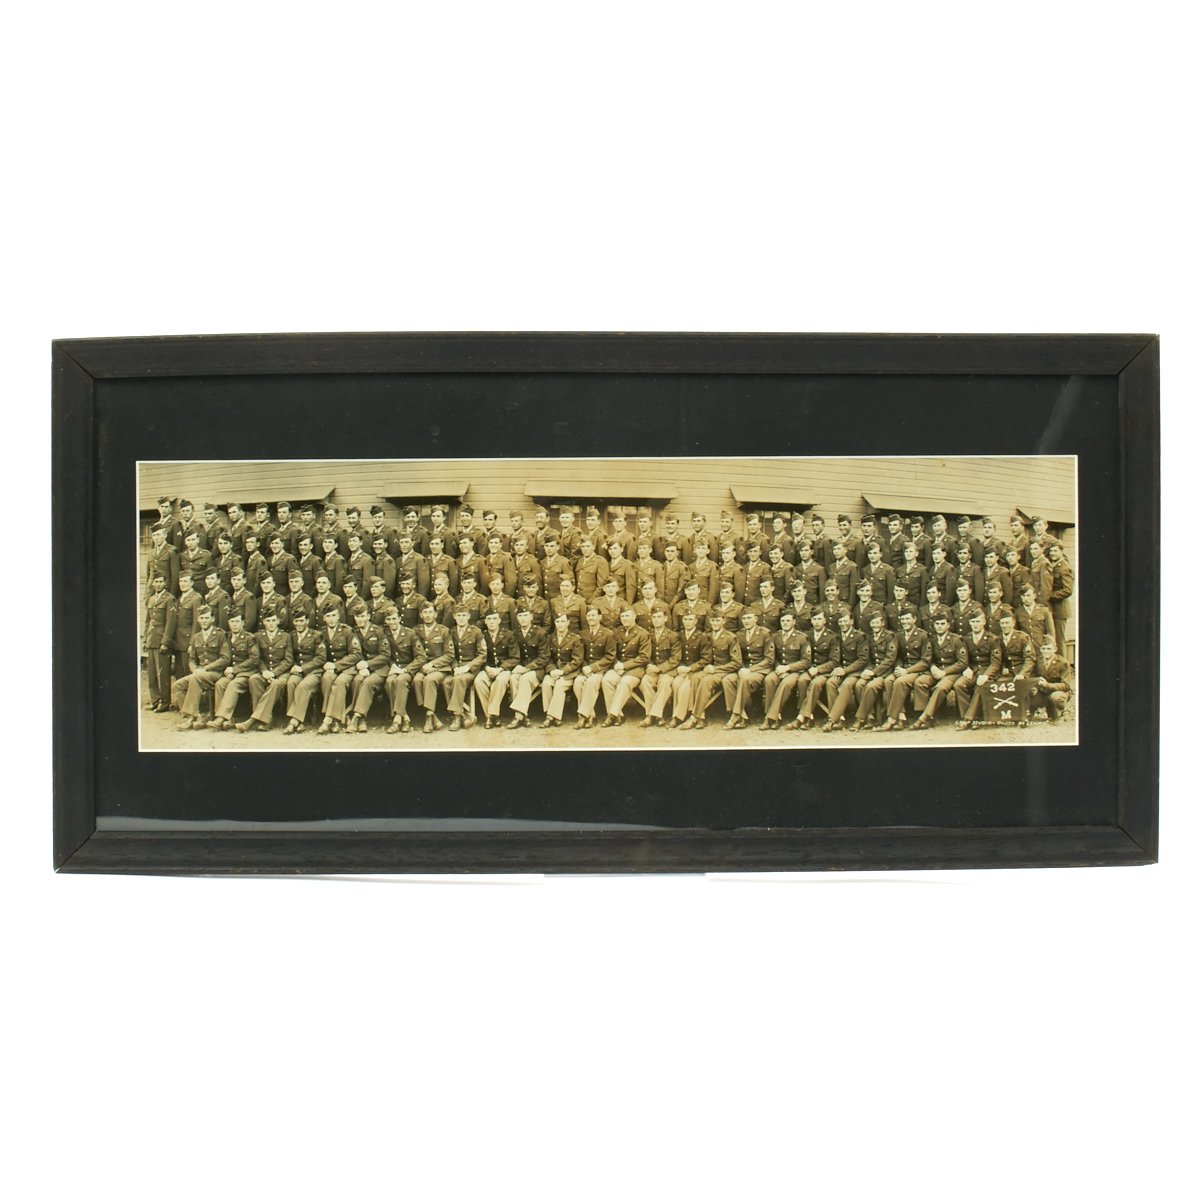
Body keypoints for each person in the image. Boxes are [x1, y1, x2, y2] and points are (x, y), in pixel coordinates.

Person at [171, 605, 231, 729]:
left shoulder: (220, 635)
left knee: (196, 678)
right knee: (177, 685)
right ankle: (198, 716)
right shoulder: (196, 637)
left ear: (213, 619)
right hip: (199, 673)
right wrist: (195, 669)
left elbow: (225, 659)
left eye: (206, 618)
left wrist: (205, 669)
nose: (204, 621)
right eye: (201, 618)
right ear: (198, 620)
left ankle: (190, 718)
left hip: (215, 672)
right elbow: (192, 659)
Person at [235, 609, 294, 731]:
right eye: (268, 621)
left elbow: (288, 660)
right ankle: (265, 719)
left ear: (278, 621)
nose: (271, 623)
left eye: (273, 620)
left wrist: (274, 673)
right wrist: (265, 671)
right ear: (264, 622)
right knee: (254, 679)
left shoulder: (286, 636)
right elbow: (258, 658)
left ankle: (253, 720)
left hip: (281, 673)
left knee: (276, 684)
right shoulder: (258, 636)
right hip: (265, 671)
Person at [910, 610, 968, 729]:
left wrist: (944, 672)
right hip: (935, 671)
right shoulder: (931, 639)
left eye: (942, 624)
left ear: (948, 625)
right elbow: (927, 657)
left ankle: (924, 717)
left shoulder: (956, 639)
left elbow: (962, 663)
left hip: (951, 672)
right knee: (920, 682)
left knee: (940, 687)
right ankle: (927, 716)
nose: (940, 626)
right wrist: (932, 667)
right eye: (937, 624)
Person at [722, 608, 775, 729]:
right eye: (744, 618)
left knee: (745, 680)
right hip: (743, 669)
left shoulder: (765, 633)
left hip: (760, 670)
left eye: (749, 618)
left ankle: (735, 715)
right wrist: (742, 668)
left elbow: (769, 659)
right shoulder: (739, 634)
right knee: (727, 680)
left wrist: (750, 670)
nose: (746, 621)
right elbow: (738, 656)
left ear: (755, 619)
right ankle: (743, 717)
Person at [878, 609, 930, 731]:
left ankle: (891, 718)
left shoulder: (923, 635)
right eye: (902, 619)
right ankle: (901, 716)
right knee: (888, 681)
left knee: (900, 682)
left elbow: (925, 661)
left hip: (918, 670)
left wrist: (907, 671)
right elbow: (897, 656)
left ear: (914, 619)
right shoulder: (899, 635)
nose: (905, 622)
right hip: (903, 668)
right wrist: (899, 667)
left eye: (907, 619)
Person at [788, 607, 840, 729]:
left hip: (825, 671)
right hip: (810, 669)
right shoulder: (807, 635)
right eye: (814, 619)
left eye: (819, 619)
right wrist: (810, 668)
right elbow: (804, 656)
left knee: (816, 683)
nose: (817, 622)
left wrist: (818, 669)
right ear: (811, 621)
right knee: (802, 680)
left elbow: (834, 661)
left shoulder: (832, 637)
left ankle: (802, 717)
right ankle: (809, 716)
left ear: (824, 621)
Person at [760, 609, 811, 730]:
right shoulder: (775, 636)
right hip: (778, 669)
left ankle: (769, 717)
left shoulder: (802, 637)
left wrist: (787, 668)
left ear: (794, 622)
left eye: (788, 620)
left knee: (786, 684)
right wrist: (778, 667)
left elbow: (806, 661)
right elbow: (772, 656)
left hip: (794, 671)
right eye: (783, 621)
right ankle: (776, 716)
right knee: (769, 680)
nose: (785, 623)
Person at [314, 605, 362, 735]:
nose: (331, 619)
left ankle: (328, 719)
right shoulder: (320, 633)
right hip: (330, 668)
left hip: (347, 668)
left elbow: (356, 654)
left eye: (334, 615)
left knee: (340, 682)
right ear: (324, 618)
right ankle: (335, 721)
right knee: (326, 679)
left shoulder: (347, 631)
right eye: (328, 616)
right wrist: (326, 665)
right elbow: (319, 654)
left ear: (338, 616)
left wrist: (336, 666)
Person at [378, 608, 427, 733]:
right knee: (389, 682)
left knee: (400, 681)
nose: (392, 622)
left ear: (399, 619)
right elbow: (385, 655)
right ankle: (405, 717)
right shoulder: (385, 634)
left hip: (407, 668)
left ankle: (397, 719)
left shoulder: (410, 633)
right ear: (386, 621)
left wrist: (406, 670)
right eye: (389, 619)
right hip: (393, 668)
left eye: (394, 619)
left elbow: (421, 657)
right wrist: (392, 666)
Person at [208, 611, 259, 730]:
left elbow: (254, 659)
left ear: (242, 623)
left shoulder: (250, 638)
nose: (234, 624)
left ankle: (221, 718)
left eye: (237, 621)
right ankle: (226, 719)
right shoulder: (226, 636)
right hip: (230, 673)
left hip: (247, 672)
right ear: (228, 623)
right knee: (220, 684)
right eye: (232, 622)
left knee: (233, 685)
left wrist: (234, 670)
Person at [281, 609, 329, 734]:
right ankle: (299, 720)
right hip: (297, 670)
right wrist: (295, 667)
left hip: (314, 671)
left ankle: (295, 721)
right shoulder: (291, 636)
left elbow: (321, 658)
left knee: (303, 686)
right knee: (291, 682)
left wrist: (303, 668)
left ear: (307, 621)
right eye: (296, 621)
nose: (299, 624)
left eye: (301, 621)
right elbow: (289, 656)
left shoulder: (316, 635)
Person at [601, 607, 650, 726]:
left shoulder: (643, 633)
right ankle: (619, 715)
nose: (624, 618)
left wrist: (624, 666)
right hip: (618, 667)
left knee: (625, 682)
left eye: (627, 616)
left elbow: (644, 657)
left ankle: (611, 714)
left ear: (634, 616)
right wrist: (617, 665)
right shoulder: (616, 632)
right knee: (606, 680)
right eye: (622, 616)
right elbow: (612, 652)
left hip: (635, 669)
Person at [345, 607, 392, 733]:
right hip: (362, 668)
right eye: (357, 617)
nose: (360, 619)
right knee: (357, 681)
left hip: (380, 668)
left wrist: (368, 664)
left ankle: (356, 716)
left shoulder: (378, 631)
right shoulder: (354, 632)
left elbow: (385, 655)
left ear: (368, 617)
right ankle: (361, 720)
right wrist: (360, 666)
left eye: (362, 616)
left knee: (368, 682)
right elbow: (354, 652)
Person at [953, 609, 1002, 729]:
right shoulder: (966, 638)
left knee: (981, 686)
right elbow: (963, 658)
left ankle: (968, 719)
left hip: (987, 671)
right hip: (973, 671)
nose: (975, 624)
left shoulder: (992, 639)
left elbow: (996, 663)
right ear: (970, 623)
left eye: (978, 621)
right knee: (959, 685)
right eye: (973, 621)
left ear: (984, 622)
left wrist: (986, 675)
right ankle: (968, 716)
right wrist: (966, 668)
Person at [850, 611, 899, 731]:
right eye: (873, 623)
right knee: (859, 685)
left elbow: (890, 659)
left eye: (877, 622)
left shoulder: (890, 636)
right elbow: (868, 658)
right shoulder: (869, 637)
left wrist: (874, 672)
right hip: (873, 669)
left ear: (882, 623)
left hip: (886, 671)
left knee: (870, 686)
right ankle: (870, 716)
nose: (875, 625)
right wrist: (867, 670)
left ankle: (860, 718)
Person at [822, 610, 869, 731]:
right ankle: (841, 719)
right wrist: (838, 668)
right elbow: (835, 656)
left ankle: (832, 720)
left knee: (846, 685)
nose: (843, 624)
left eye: (845, 621)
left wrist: (845, 670)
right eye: (840, 622)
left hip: (855, 671)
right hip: (841, 670)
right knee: (830, 683)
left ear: (851, 621)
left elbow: (863, 659)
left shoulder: (860, 636)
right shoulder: (836, 636)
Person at [413, 603, 453, 733]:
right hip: (422, 667)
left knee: (429, 680)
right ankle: (431, 714)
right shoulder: (415, 631)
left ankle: (428, 718)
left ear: (435, 614)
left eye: (430, 612)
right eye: (425, 612)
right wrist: (423, 666)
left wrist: (433, 665)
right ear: (421, 615)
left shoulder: (443, 631)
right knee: (417, 680)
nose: (428, 615)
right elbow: (414, 653)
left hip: (440, 668)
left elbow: (449, 655)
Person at [443, 606, 485, 730]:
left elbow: (482, 655)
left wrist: (467, 667)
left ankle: (456, 717)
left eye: (464, 615)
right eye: (458, 615)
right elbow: (449, 653)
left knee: (458, 680)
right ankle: (464, 714)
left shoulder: (476, 632)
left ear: (468, 616)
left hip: (470, 669)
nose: (461, 618)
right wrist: (455, 667)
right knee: (446, 682)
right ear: (454, 617)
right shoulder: (451, 632)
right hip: (456, 669)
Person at [475, 610, 519, 728]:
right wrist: (486, 667)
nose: (492, 622)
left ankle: (491, 715)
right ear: (485, 621)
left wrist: (500, 669)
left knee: (500, 681)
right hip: (488, 668)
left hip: (504, 669)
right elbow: (479, 655)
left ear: (499, 621)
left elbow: (515, 658)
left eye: (494, 619)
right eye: (489, 619)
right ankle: (491, 716)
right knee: (479, 681)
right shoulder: (482, 635)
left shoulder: (508, 635)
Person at [573, 607, 616, 728]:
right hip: (585, 669)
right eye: (589, 616)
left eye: (593, 615)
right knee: (578, 682)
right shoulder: (582, 634)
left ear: (600, 617)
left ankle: (583, 716)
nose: (591, 618)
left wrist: (593, 668)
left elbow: (610, 657)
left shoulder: (608, 634)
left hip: (601, 669)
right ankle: (591, 715)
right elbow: (580, 655)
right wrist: (585, 667)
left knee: (591, 682)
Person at [638, 608, 682, 727]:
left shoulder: (673, 636)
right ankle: (657, 715)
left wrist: (660, 668)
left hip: (667, 670)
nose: (656, 620)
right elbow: (646, 653)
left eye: (659, 617)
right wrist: (650, 665)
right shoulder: (648, 635)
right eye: (654, 617)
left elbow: (675, 658)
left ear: (665, 619)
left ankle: (651, 715)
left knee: (664, 683)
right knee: (645, 682)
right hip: (653, 669)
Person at [507, 608, 548, 728]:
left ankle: (518, 717)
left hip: (537, 669)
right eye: (520, 616)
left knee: (524, 679)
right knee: (513, 678)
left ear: (531, 617)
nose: (523, 619)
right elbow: (514, 654)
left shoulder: (540, 633)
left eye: (525, 615)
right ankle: (522, 716)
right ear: (517, 618)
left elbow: (544, 657)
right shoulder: (515, 633)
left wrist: (527, 668)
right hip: (520, 667)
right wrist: (518, 667)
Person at [541, 611, 583, 727]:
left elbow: (577, 660)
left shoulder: (575, 639)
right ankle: (551, 715)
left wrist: (563, 671)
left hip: (569, 673)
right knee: (546, 683)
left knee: (559, 686)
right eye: (557, 621)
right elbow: (547, 657)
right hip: (554, 671)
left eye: (563, 621)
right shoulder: (550, 638)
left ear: (568, 623)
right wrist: (552, 670)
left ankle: (550, 717)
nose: (560, 624)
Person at [143, 572, 177, 711]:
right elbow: (148, 621)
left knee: (162, 673)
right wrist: (145, 640)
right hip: (152, 640)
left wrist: (165, 642)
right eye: (156, 582)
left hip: (161, 641)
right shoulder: (151, 599)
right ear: (152, 583)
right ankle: (155, 700)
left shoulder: (169, 599)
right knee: (152, 674)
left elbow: (170, 622)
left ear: (165, 583)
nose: (158, 584)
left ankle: (165, 702)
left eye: (161, 582)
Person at [1028, 639, 1073, 724]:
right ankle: (1030, 714)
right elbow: (1033, 677)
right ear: (1040, 649)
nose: (1046, 651)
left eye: (1049, 649)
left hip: (1058, 691)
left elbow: (1066, 685)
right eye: (1043, 648)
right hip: (1042, 691)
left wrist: (1047, 685)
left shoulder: (1062, 662)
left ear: (1055, 649)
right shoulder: (1038, 661)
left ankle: (1060, 714)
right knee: (1029, 693)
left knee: (1056, 697)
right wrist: (1034, 686)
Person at [171, 572, 203, 685]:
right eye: (181, 581)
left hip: (187, 641)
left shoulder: (196, 598)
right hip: (177, 641)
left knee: (187, 673)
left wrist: (192, 643)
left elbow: (197, 622)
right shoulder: (179, 598)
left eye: (185, 581)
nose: (182, 584)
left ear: (192, 583)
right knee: (179, 673)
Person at [1046, 543, 1074, 656]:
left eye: (1055, 551)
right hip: (1051, 607)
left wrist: (1051, 595)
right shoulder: (1051, 565)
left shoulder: (1065, 568)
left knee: (1059, 639)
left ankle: (1062, 663)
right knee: (1051, 638)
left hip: (1060, 609)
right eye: (1051, 551)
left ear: (1061, 552)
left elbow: (1068, 590)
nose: (1052, 553)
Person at [1014, 583, 1055, 650]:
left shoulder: (1044, 611)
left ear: (1034, 596)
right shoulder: (1018, 612)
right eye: (1023, 596)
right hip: (1026, 648)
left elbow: (1050, 633)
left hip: (1041, 647)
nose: (1026, 598)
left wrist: (1050, 647)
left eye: (1028, 595)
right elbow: (1016, 633)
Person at [145, 525, 179, 598]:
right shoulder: (151, 552)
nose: (156, 538)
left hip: (165, 590)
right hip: (151, 591)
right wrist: (146, 592)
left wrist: (172, 594)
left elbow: (175, 576)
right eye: (154, 535)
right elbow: (148, 575)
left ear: (165, 535)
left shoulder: (172, 551)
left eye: (158, 535)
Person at [574, 537, 610, 603]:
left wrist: (591, 601)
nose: (585, 549)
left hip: (592, 601)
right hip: (579, 601)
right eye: (583, 546)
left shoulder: (600, 561)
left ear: (593, 547)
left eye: (588, 546)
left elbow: (601, 586)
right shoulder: (579, 561)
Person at [793, 540, 826, 607]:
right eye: (802, 551)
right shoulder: (796, 569)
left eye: (806, 550)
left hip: (813, 603)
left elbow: (822, 592)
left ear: (812, 552)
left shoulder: (819, 569)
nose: (804, 553)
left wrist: (820, 606)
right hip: (799, 604)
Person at [716, 542, 746, 606]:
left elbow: (739, 593)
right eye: (723, 553)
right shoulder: (720, 568)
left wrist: (735, 607)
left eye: (727, 553)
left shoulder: (738, 569)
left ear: (734, 554)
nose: (725, 555)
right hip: (719, 603)